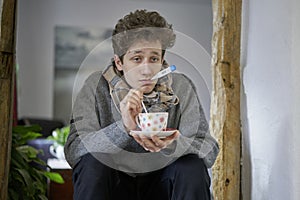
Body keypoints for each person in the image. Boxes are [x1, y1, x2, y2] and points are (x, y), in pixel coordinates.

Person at [64, 9, 219, 200]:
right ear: (119, 62)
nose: (146, 69)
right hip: (114, 185)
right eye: (137, 59)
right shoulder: (95, 86)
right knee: (92, 164)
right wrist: (124, 128)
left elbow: (209, 151)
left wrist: (175, 143)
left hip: (163, 183)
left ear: (162, 61)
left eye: (153, 59)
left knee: (191, 166)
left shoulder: (181, 86)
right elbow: (74, 151)